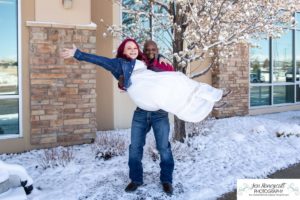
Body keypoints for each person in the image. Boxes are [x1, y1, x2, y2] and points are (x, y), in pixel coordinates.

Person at [61, 38, 223, 123]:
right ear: (123, 51)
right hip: (142, 92)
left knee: (177, 81)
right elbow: (100, 60)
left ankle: (202, 104)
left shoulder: (142, 62)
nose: (132, 50)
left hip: (148, 95)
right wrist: (78, 54)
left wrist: (163, 64)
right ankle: (210, 95)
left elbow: (154, 70)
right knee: (177, 80)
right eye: (128, 48)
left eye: (134, 48)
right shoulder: (118, 63)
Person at [120, 40, 175, 195]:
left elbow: (175, 83)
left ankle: (166, 180)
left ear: (157, 50)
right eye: (147, 49)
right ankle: (136, 179)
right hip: (141, 112)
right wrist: (121, 82)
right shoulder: (139, 65)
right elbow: (123, 73)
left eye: (154, 49)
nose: (151, 51)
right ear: (143, 51)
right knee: (135, 148)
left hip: (160, 112)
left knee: (164, 148)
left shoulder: (165, 65)